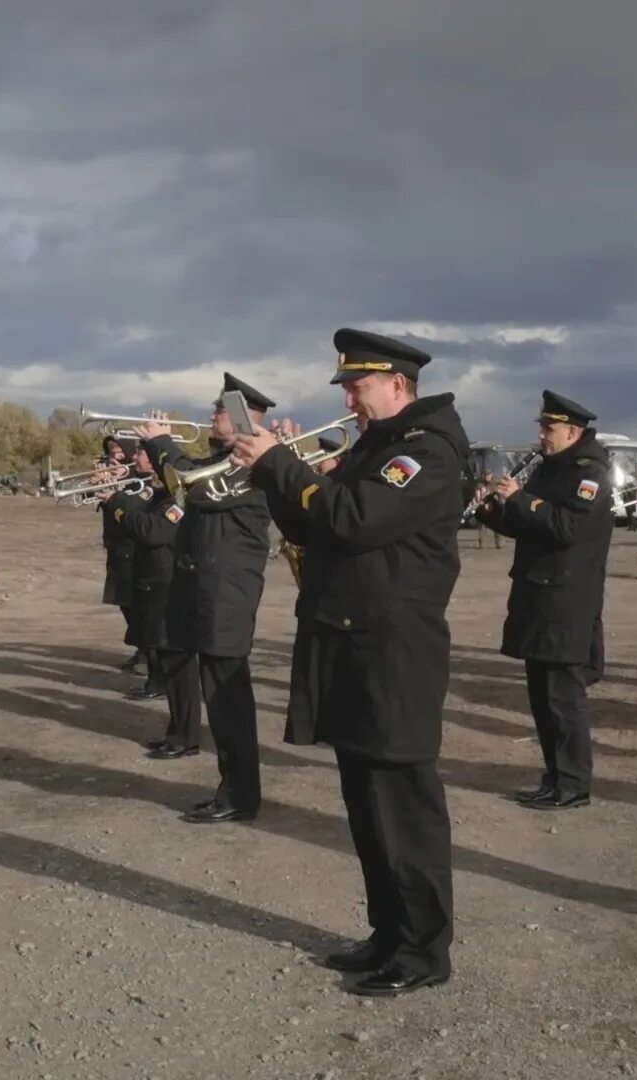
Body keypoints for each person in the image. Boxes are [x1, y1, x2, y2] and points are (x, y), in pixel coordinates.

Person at [229, 327, 468, 997]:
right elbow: (313, 523)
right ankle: (389, 934)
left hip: (394, 652)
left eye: (358, 387)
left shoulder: (425, 453)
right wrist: (276, 472)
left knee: (403, 807)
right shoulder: (381, 445)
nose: (351, 401)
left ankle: (424, 951)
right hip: (355, 641)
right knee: (367, 804)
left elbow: (353, 519)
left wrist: (283, 463)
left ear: (397, 384)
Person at [136, 375, 274, 825]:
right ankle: (232, 788)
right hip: (208, 589)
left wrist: (159, 445)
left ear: (240, 419)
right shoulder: (226, 459)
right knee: (220, 699)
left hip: (228, 594)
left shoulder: (249, 465)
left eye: (220, 410)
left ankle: (240, 794)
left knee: (229, 702)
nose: (211, 415)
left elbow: (193, 488)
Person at [475, 390, 614, 811]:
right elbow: (528, 525)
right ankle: (554, 777)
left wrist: (521, 498)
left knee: (563, 700)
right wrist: (493, 511)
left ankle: (574, 784)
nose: (542, 435)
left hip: (566, 600)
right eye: (541, 427)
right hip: (538, 595)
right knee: (541, 698)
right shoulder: (549, 469)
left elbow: (568, 527)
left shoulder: (589, 474)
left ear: (572, 431)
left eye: (548, 428)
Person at [109, 444, 179, 714]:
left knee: (159, 634)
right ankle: (155, 679)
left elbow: (151, 531)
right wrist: (115, 497)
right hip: (146, 569)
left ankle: (160, 682)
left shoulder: (175, 498)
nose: (133, 458)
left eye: (140, 453)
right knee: (148, 630)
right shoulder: (154, 490)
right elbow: (135, 510)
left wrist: (116, 503)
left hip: (163, 572)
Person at [94, 438, 147, 677]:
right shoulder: (118, 475)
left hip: (135, 546)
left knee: (138, 605)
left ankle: (148, 653)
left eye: (119, 450)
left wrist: (121, 485)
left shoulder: (141, 476)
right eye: (111, 451)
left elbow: (140, 505)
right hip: (115, 544)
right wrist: (103, 486)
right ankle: (141, 648)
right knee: (123, 601)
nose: (115, 455)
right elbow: (107, 507)